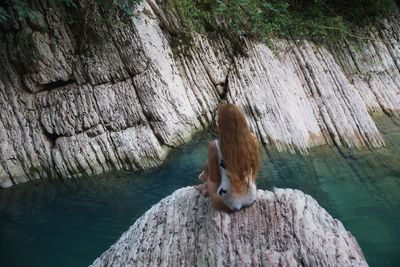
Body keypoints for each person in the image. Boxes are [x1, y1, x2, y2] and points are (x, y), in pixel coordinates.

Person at [195, 103, 259, 212]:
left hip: (227, 201)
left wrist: (211, 189)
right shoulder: (253, 139)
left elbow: (214, 179)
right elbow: (253, 168)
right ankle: (205, 186)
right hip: (251, 196)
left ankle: (203, 188)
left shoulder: (215, 146)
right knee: (213, 165)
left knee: (209, 172)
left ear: (221, 125)